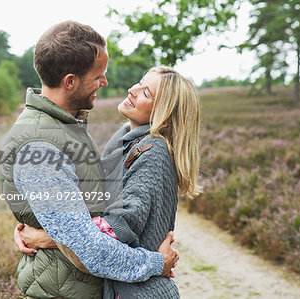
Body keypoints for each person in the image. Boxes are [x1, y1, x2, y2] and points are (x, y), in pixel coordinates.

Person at [0, 21, 178, 299]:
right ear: (70, 81)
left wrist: (44, 231)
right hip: (65, 291)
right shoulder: (41, 145)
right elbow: (86, 246)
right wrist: (156, 264)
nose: (105, 83)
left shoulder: (66, 127)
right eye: (98, 76)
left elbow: (80, 219)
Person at [16, 66, 202, 298]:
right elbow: (90, 198)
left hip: (141, 292)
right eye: (140, 82)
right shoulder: (125, 141)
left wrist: (45, 237)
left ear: (163, 112)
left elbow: (120, 225)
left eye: (146, 93)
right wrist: (42, 222)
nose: (132, 90)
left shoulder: (154, 151)